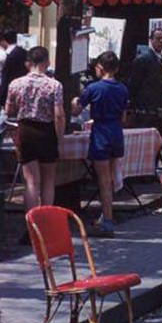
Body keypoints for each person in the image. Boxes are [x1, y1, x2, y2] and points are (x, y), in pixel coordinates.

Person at [5, 47, 65, 234]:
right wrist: (59, 138)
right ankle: (47, 226)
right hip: (46, 132)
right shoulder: (54, 85)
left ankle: (32, 228)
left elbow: (9, 111)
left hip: (26, 130)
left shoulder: (16, 84)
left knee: (31, 182)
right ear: (46, 62)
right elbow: (59, 115)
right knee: (48, 181)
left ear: (28, 62)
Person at [71, 50, 129, 238]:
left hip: (101, 134)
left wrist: (74, 101)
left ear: (100, 67)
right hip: (116, 133)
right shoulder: (122, 88)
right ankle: (106, 215)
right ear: (118, 68)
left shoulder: (93, 88)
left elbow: (76, 110)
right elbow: (124, 116)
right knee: (111, 178)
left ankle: (108, 223)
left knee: (103, 180)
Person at [128, 26, 162, 124]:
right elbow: (134, 83)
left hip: (157, 107)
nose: (161, 42)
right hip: (144, 108)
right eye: (158, 39)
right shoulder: (143, 59)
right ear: (151, 40)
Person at [0, 29, 29, 108]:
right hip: (24, 91)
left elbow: (5, 77)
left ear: (4, 40)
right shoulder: (24, 52)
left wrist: (2, 97)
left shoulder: (8, 56)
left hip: (9, 92)